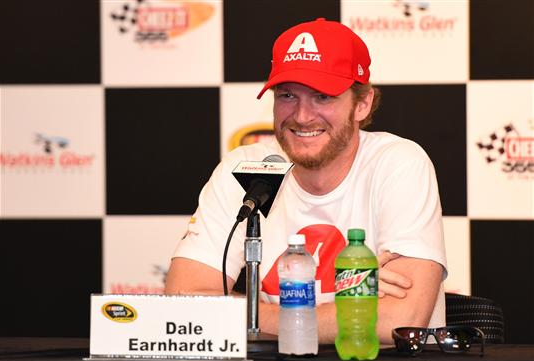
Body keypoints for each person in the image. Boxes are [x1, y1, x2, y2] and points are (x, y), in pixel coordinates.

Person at [165, 18, 447, 344]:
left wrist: (248, 314)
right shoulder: (249, 167)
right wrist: (352, 304)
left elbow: (400, 321)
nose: (301, 116)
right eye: (287, 95)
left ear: (363, 103)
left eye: (322, 97)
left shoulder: (397, 163)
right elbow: (185, 305)